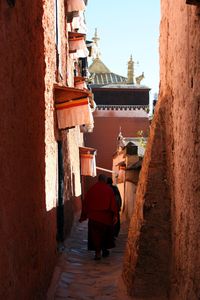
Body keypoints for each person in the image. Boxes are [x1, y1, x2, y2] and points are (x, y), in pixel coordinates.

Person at [79, 174, 118, 260]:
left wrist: (83, 216)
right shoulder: (109, 190)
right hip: (106, 218)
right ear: (104, 180)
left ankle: (97, 253)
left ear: (98, 180)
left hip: (94, 218)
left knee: (95, 235)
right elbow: (113, 204)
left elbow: (86, 203)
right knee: (105, 235)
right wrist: (115, 215)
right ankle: (104, 250)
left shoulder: (92, 189)